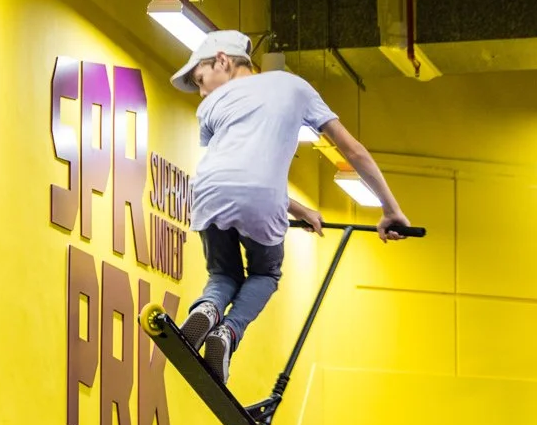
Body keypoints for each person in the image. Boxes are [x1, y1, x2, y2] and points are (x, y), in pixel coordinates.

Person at [170, 30, 410, 384]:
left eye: (201, 81)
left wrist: (296, 208)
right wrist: (390, 209)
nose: (202, 93)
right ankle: (228, 333)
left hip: (208, 191)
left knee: (223, 275)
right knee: (265, 274)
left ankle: (208, 309)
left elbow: (236, 170)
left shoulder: (211, 106)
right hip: (262, 197)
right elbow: (353, 151)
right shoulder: (293, 86)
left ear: (222, 60)